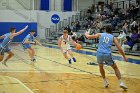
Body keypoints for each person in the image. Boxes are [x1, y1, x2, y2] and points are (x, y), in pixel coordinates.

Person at [85, 25, 128, 89]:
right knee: (115, 68)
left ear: (105, 30)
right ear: (111, 31)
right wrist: (124, 56)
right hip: (107, 54)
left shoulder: (100, 34)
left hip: (99, 53)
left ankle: (105, 81)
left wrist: (86, 33)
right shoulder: (113, 37)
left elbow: (88, 37)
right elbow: (119, 48)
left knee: (101, 67)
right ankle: (121, 82)